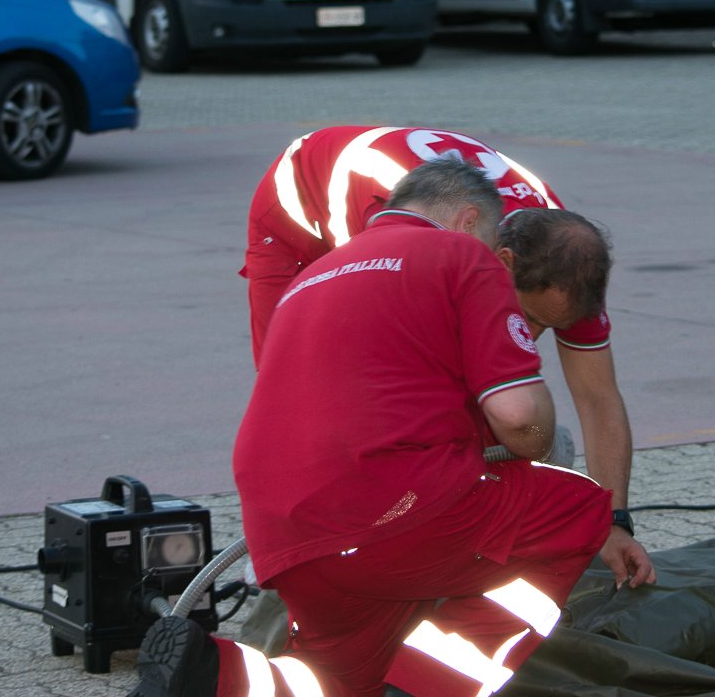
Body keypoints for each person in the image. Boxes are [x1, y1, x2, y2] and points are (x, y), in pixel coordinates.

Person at [132, 158, 612, 697]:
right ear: (468, 219)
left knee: (332, 682)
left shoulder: (316, 273)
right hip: (387, 511)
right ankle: (429, 687)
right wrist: (545, 443)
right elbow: (520, 419)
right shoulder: (463, 255)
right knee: (579, 507)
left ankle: (212, 674)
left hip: (284, 530)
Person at [243, 125, 655, 587]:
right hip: (301, 207)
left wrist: (614, 520)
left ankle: (455, 521)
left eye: (548, 326)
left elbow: (599, 397)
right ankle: (294, 542)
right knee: (298, 385)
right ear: (500, 264)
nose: (533, 336)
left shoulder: (567, 257)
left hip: (433, 193)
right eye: (528, 318)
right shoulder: (417, 236)